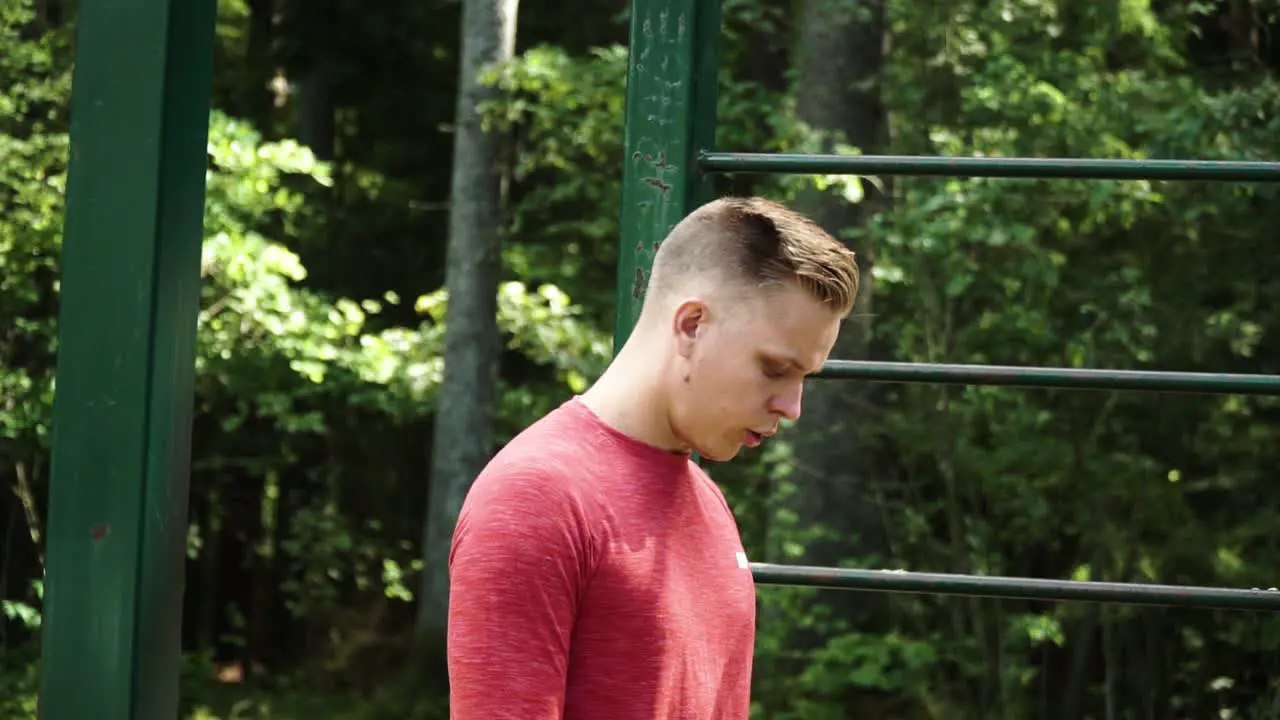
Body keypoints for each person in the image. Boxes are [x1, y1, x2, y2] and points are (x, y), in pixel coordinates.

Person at [445, 196, 860, 719]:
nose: (793, 407)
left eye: (805, 378)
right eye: (775, 368)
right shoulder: (536, 498)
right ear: (691, 325)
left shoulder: (707, 501)